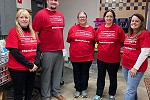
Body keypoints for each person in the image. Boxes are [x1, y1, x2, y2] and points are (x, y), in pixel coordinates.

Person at [32, 0, 65, 100]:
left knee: (58, 73)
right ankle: (46, 96)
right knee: (46, 75)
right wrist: (38, 50)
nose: (54, 2)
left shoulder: (61, 15)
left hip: (59, 49)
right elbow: (35, 33)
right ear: (47, 1)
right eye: (52, 0)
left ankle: (56, 92)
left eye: (56, 0)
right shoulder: (40, 14)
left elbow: (59, 32)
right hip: (46, 50)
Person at [6, 9, 40, 100]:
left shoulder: (33, 32)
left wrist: (36, 63)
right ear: (17, 19)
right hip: (18, 69)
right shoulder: (13, 32)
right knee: (18, 92)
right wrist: (30, 65)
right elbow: (14, 52)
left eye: (26, 17)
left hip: (32, 68)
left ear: (29, 19)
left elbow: (38, 49)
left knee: (30, 91)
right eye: (21, 17)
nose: (24, 19)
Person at [93, 9, 125, 100]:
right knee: (100, 77)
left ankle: (112, 94)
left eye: (111, 16)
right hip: (101, 58)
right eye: (107, 16)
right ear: (104, 18)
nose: (109, 18)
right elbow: (97, 41)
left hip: (114, 59)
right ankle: (99, 94)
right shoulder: (99, 29)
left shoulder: (118, 29)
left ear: (113, 18)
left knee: (113, 77)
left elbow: (122, 42)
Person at [67, 11, 95, 98]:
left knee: (85, 73)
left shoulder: (91, 29)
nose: (82, 18)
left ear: (86, 18)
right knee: (76, 73)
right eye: (80, 17)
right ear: (78, 19)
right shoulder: (72, 29)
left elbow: (94, 42)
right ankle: (78, 89)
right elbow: (69, 41)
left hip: (87, 57)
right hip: (75, 56)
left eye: (84, 17)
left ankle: (84, 89)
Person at [122, 14, 150, 100]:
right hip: (125, 65)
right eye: (132, 21)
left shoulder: (145, 34)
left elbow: (145, 52)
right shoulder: (129, 34)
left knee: (130, 90)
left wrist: (135, 68)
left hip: (135, 67)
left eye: (137, 21)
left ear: (141, 23)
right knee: (131, 88)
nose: (134, 23)